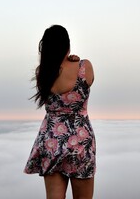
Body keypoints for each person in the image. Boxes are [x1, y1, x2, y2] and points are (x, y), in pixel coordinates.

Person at [24, 25, 96, 199]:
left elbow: (57, 69)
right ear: (67, 45)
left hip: (52, 142)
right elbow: (88, 80)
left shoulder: (43, 73)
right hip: (80, 143)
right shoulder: (84, 67)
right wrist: (74, 61)